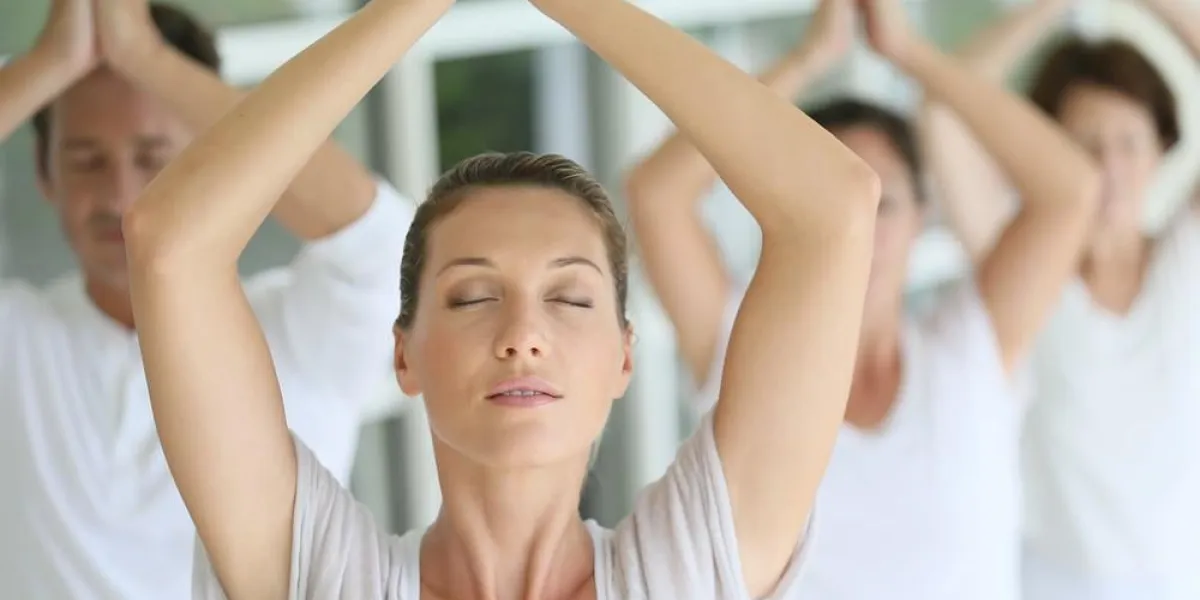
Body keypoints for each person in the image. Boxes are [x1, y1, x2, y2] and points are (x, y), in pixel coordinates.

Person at [122, 0, 887, 596]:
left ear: (624, 356)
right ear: (403, 354)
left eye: (570, 298)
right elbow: (172, 246)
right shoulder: (329, 581)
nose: (523, 333)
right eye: (472, 297)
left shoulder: (686, 576)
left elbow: (832, 208)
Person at [626, 0, 1099, 598]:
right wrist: (808, 57)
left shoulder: (970, 351)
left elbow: (1070, 191)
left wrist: (909, 53)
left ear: (922, 217)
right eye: (834, 210)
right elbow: (656, 194)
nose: (861, 233)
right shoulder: (740, 348)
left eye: (885, 206)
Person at [0, 0, 412, 597]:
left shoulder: (299, 332)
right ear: (45, 174)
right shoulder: (17, 339)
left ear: (212, 167)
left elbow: (379, 246)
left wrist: (146, 57)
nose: (119, 197)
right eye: (86, 162)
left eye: (152, 158)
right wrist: (46, 64)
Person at [922, 0, 1200, 598]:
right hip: (1052, 583)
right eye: (1084, 145)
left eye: (1130, 142)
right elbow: (943, 112)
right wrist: (1049, 7)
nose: (1110, 168)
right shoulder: (1022, 270)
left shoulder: (1187, 259)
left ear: (1160, 149)